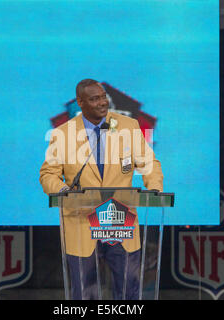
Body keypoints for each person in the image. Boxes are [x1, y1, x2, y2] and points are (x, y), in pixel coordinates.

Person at [39, 79, 163, 299]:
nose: (102, 103)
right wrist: (63, 190)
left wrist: (154, 188)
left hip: (120, 220)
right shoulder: (63, 134)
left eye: (103, 96)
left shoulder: (128, 127)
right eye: (94, 99)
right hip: (80, 221)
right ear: (80, 103)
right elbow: (48, 174)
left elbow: (150, 165)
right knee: (85, 292)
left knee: (128, 290)